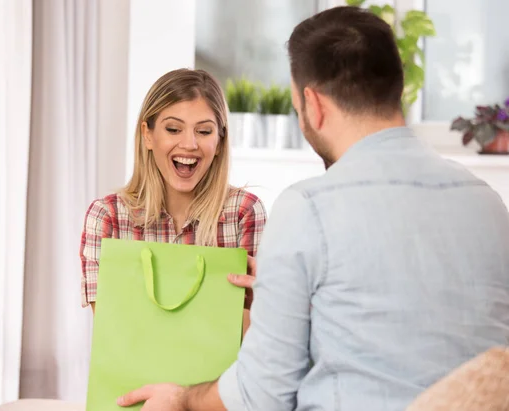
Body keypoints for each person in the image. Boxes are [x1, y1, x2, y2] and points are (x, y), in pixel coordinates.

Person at [117, 6, 509, 411]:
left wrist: (182, 398)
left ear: (313, 105)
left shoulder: (307, 209)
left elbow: (262, 393)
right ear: (397, 87)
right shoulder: (489, 205)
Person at [80, 68, 266, 326]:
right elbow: (113, 335)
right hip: (135, 367)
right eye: (173, 129)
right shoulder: (107, 217)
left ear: (220, 142)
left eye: (204, 131)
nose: (189, 144)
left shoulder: (244, 212)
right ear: (148, 135)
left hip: (224, 368)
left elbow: (244, 336)